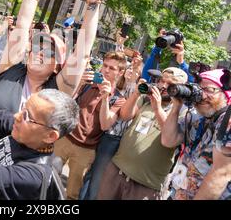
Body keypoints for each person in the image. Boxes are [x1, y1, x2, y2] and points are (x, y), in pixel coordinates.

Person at [0, 0, 104, 164]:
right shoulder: (11, 69)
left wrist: (92, 4)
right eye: (37, 46)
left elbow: (81, 54)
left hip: (14, 178)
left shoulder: (58, 91)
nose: (40, 52)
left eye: (49, 51)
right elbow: (22, 24)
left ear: (58, 66)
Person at [97, 67, 188, 200]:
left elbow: (170, 138)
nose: (163, 86)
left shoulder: (182, 112)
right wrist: (135, 94)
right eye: (161, 81)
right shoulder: (147, 99)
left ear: (180, 88)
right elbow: (125, 115)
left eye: (170, 84)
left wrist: (157, 108)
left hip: (146, 185)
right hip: (117, 171)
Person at [54, 51, 127, 200]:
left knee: (72, 194)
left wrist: (106, 98)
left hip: (86, 150)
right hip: (64, 138)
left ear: (120, 72)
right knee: (46, 176)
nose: (106, 70)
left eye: (112, 68)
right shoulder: (87, 85)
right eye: (105, 66)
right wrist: (79, 84)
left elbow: (106, 125)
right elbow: (65, 101)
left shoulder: (119, 99)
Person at [79, 53, 143, 200]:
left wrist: (136, 69)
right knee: (90, 175)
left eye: (134, 73)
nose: (130, 74)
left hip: (112, 138)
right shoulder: (115, 86)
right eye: (105, 66)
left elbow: (117, 117)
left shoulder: (131, 91)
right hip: (101, 135)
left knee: (97, 177)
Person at [161, 69, 231, 200]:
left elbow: (220, 175)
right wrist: (176, 106)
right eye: (199, 89)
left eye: (209, 90)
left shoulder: (227, 121)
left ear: (225, 92)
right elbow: (168, 140)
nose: (202, 96)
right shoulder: (198, 119)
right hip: (178, 193)